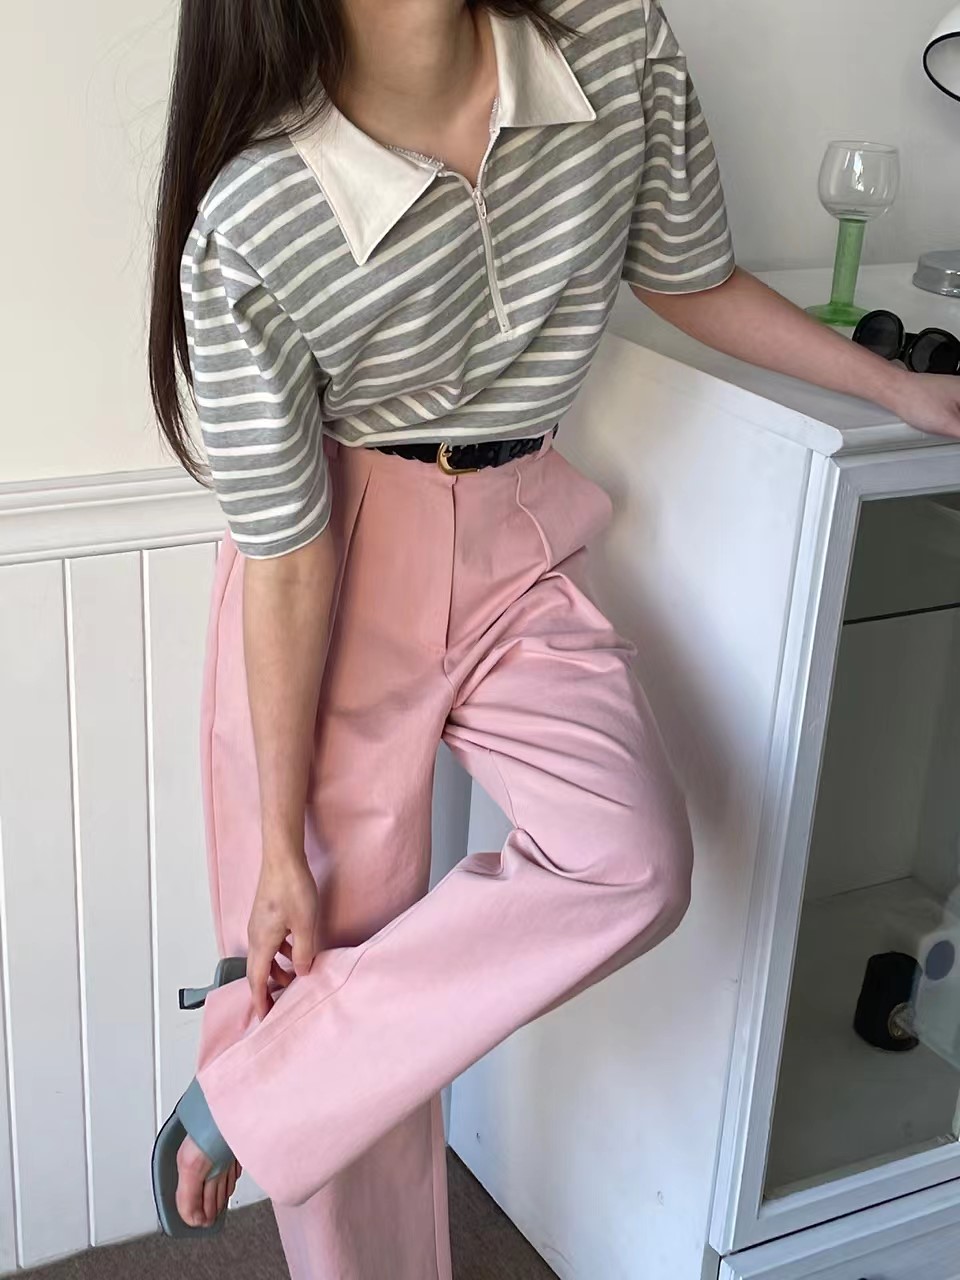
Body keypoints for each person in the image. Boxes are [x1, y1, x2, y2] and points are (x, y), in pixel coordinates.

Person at [147, 0, 960, 1274]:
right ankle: (293, 1075)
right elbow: (288, 557)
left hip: (519, 526)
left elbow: (689, 274)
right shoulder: (258, 213)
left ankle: (264, 1083)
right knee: (320, 944)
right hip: (332, 568)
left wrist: (895, 385)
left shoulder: (616, 45)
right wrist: (278, 842)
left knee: (629, 856)